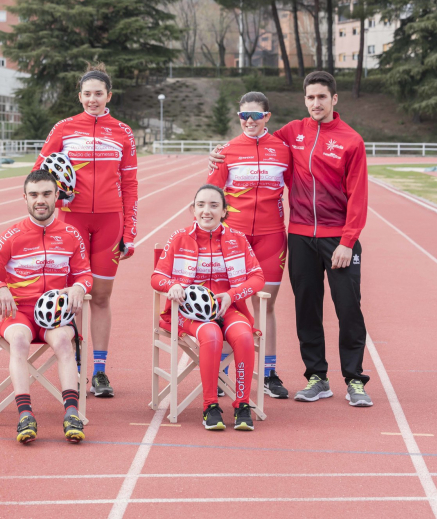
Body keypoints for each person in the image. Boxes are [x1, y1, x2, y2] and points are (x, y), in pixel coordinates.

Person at [208, 71, 372, 407]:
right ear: (305, 100)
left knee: (348, 310)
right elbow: (255, 141)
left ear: (334, 100)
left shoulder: (352, 140)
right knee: (306, 309)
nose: (315, 103)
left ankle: (355, 380)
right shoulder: (292, 133)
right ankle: (317, 377)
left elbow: (359, 197)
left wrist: (347, 240)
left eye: (322, 97)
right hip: (298, 235)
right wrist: (218, 153)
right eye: (310, 98)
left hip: (337, 238)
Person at [32, 63, 137, 397]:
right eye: (87, 94)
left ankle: (100, 371)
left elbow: (131, 184)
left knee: (102, 297)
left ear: (109, 95)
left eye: (98, 94)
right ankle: (74, 365)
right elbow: (39, 174)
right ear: (80, 96)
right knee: (73, 296)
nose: (92, 100)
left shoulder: (123, 131)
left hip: (110, 221)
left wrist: (130, 232)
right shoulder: (64, 128)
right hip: (71, 220)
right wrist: (58, 196)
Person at [0, 170, 93, 444]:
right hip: (20, 314)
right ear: (25, 198)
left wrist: (78, 287)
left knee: (64, 341)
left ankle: (72, 413)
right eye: (35, 194)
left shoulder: (72, 235)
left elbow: (86, 275)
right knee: (18, 342)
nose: (41, 200)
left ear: (57, 197)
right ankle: (25, 414)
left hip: (56, 316)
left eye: (47, 194)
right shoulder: (12, 235)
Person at [151, 185, 265, 430]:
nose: (207, 211)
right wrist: (172, 285)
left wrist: (231, 295)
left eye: (214, 205)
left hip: (229, 308)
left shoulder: (238, 239)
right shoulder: (179, 237)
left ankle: (242, 405)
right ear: (193, 209)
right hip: (188, 313)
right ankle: (210, 406)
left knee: (244, 336)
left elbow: (258, 278)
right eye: (201, 205)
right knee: (211, 335)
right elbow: (156, 277)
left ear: (224, 211)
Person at [206, 92, 292, 399]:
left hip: (271, 238)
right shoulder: (227, 150)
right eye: (244, 116)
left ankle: (268, 373)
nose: (250, 122)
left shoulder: (283, 150)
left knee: (265, 304)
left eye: (256, 116)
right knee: (231, 303)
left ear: (267, 116)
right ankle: (222, 371)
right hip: (235, 239)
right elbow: (211, 196)